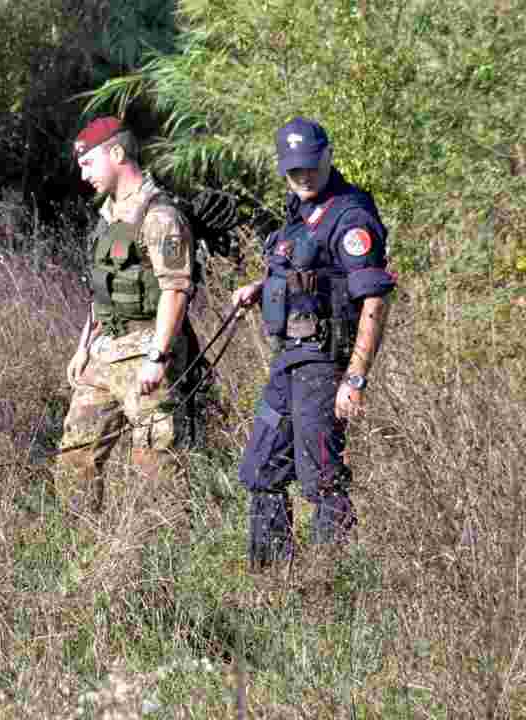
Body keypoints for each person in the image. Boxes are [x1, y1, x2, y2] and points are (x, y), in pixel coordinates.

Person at [232, 117, 395, 569]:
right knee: (261, 468)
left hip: (324, 365)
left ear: (327, 156)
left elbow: (375, 300)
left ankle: (332, 589)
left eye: (309, 166)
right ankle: (271, 581)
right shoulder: (300, 210)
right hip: (291, 360)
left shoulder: (350, 215)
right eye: (292, 169)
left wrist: (355, 378)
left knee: (322, 480)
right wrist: (261, 287)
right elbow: (309, 276)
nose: (301, 176)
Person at [55, 117, 200, 511]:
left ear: (117, 154)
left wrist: (158, 357)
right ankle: (81, 557)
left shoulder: (160, 216)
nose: (82, 174)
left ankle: (169, 559)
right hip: (104, 354)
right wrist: (83, 348)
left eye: (88, 163)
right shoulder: (107, 218)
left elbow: (176, 288)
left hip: (147, 354)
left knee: (156, 466)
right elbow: (102, 290)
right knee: (74, 462)